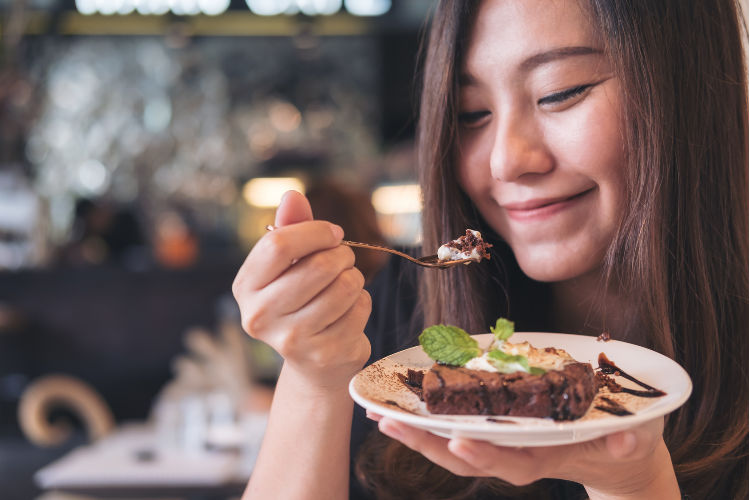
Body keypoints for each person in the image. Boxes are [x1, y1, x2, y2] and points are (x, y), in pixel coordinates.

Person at [231, 0, 749, 498]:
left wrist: (633, 485)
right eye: (472, 113)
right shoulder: (394, 313)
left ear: (690, 88)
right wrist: (313, 377)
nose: (505, 161)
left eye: (559, 92)